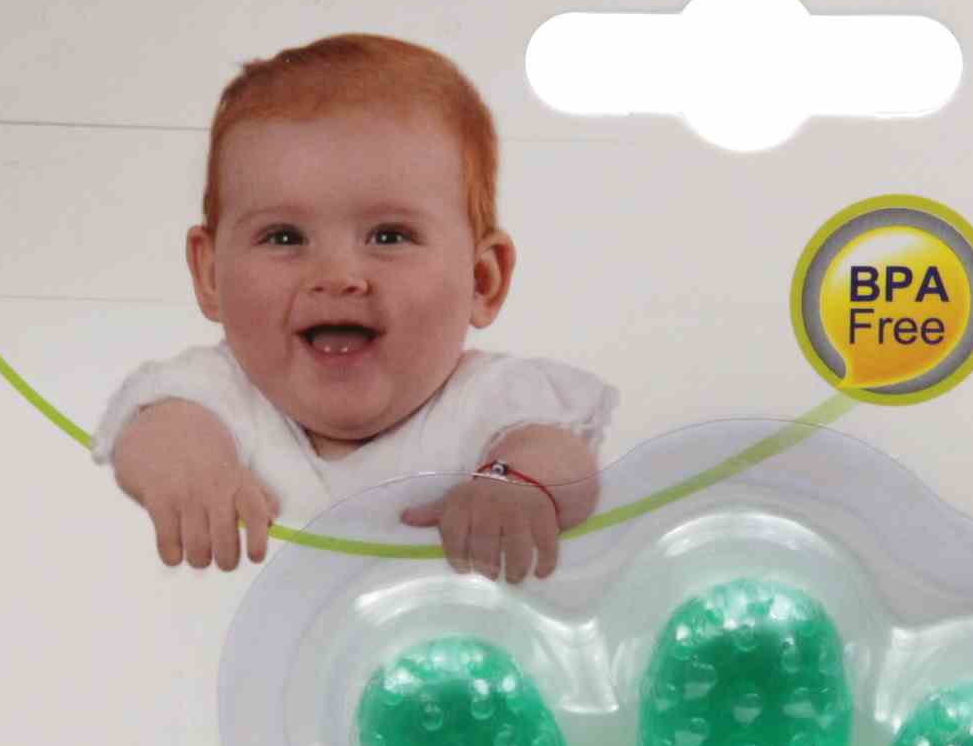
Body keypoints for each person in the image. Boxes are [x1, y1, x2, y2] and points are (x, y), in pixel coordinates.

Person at [94, 33, 616, 581]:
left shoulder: (485, 400)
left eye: (389, 236)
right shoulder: (220, 395)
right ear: (209, 275)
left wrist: (513, 485)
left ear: (482, 280)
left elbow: (559, 457)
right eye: (284, 237)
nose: (337, 276)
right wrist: (190, 466)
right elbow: (155, 431)